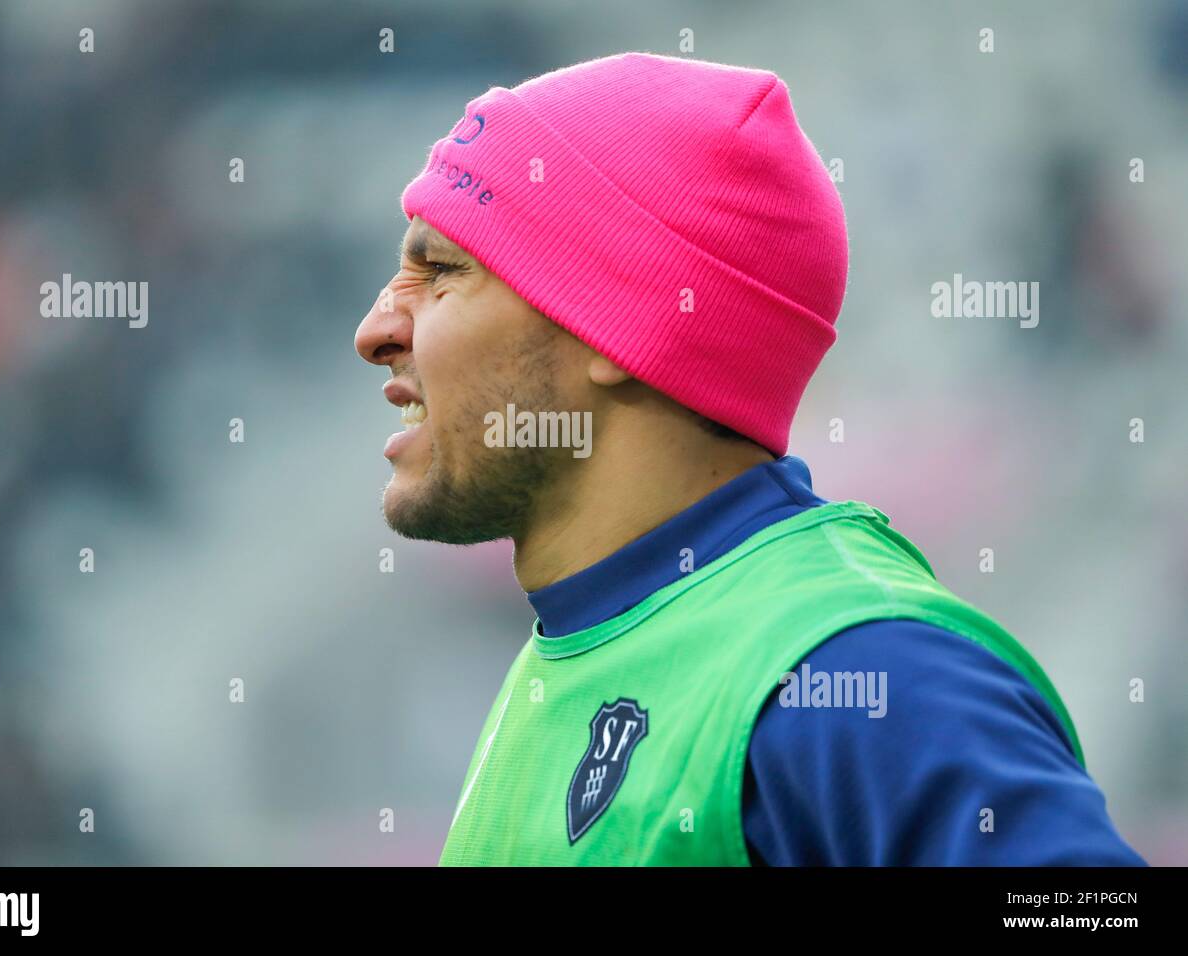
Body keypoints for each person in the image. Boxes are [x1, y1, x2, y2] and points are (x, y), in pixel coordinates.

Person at [353, 52, 1146, 866]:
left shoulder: (854, 673)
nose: (375, 329)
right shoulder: (581, 642)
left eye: (441, 270)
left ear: (614, 324)